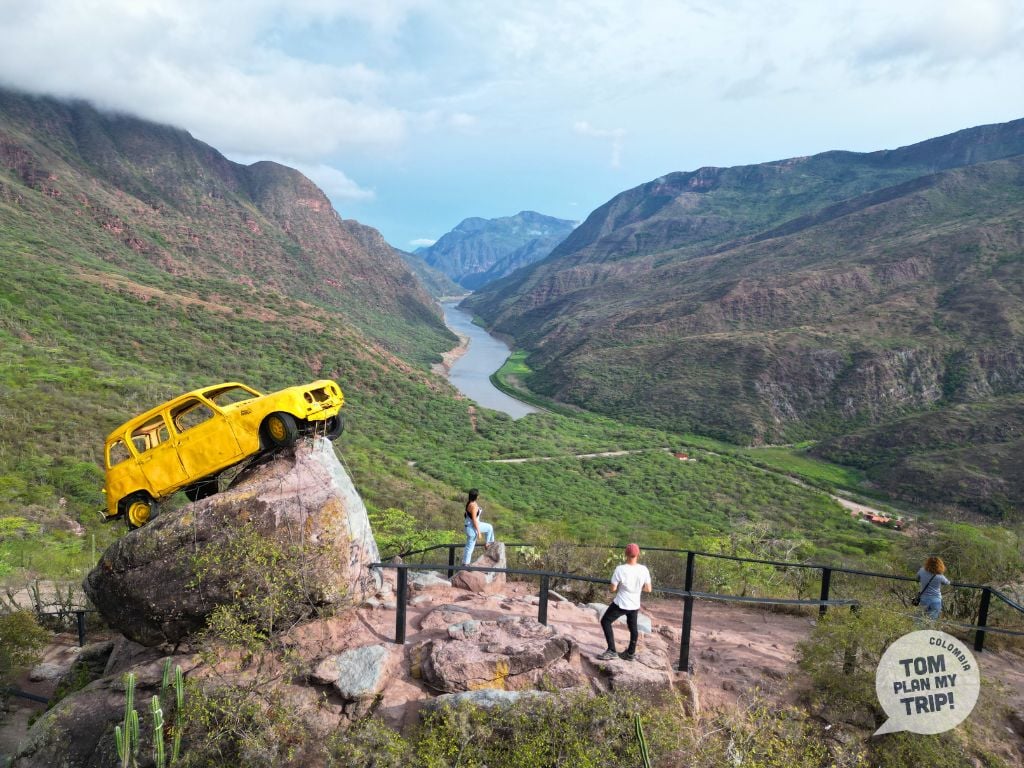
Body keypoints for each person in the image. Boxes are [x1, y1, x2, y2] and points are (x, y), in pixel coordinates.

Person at [598, 543, 652, 661]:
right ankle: (630, 653)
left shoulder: (620, 569)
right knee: (633, 628)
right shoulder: (644, 569)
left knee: (605, 621)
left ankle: (612, 650)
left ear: (625, 554)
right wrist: (637, 588)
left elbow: (613, 589)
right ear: (638, 554)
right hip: (634, 604)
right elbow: (648, 589)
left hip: (621, 603)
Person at [462, 488, 495, 565]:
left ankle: (489, 543)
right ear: (476, 496)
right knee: (470, 547)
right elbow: (474, 519)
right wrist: (479, 532)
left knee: (489, 527)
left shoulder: (469, 503)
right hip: (472, 527)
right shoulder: (473, 506)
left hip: (469, 526)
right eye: (478, 495)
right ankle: (465, 564)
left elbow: (466, 515)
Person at [916, 556, 951, 620]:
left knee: (920, 619)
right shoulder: (940, 576)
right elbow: (947, 583)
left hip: (924, 598)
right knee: (932, 620)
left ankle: (919, 629)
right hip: (936, 599)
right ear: (940, 565)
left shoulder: (922, 570)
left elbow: (917, 577)